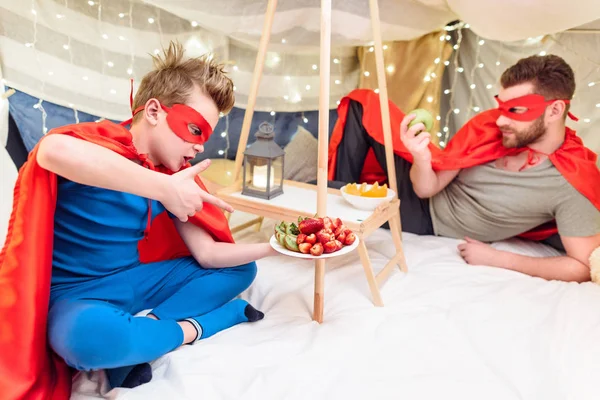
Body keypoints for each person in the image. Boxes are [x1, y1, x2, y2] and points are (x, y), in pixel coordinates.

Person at [0, 41, 279, 399]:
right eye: (195, 130)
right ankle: (201, 325)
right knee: (87, 342)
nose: (199, 148)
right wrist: (163, 188)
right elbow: (52, 152)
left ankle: (146, 332)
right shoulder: (98, 145)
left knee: (243, 269)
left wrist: (276, 247)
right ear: (153, 111)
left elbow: (208, 255)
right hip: (73, 294)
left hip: (135, 281)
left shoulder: (174, 174)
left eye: (205, 137)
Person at [328, 54, 600, 283]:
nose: (502, 119)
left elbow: (582, 266)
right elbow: (427, 188)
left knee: (320, 195)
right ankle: (343, 213)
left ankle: (338, 208)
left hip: (426, 221)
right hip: (423, 191)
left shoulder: (572, 182)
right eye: (501, 106)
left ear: (553, 111)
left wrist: (499, 258)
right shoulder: (492, 129)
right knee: (363, 106)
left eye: (515, 110)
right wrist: (421, 156)